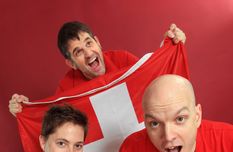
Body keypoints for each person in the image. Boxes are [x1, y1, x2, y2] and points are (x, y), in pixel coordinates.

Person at [8, 21, 186, 115]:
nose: (88, 53)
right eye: (78, 52)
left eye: (89, 43)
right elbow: (53, 127)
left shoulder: (123, 59)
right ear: (71, 63)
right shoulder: (66, 88)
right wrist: (25, 110)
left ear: (98, 43)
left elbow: (155, 85)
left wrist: (168, 48)